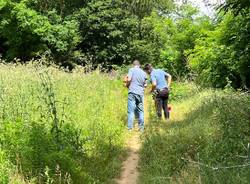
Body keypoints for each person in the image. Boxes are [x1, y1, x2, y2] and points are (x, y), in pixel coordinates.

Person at [124, 60, 147, 131]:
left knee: (130, 111)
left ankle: (129, 128)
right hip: (140, 93)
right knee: (141, 111)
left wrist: (127, 85)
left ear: (133, 65)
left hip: (132, 92)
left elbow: (129, 79)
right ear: (139, 65)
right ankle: (141, 128)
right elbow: (145, 85)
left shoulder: (131, 69)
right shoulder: (144, 73)